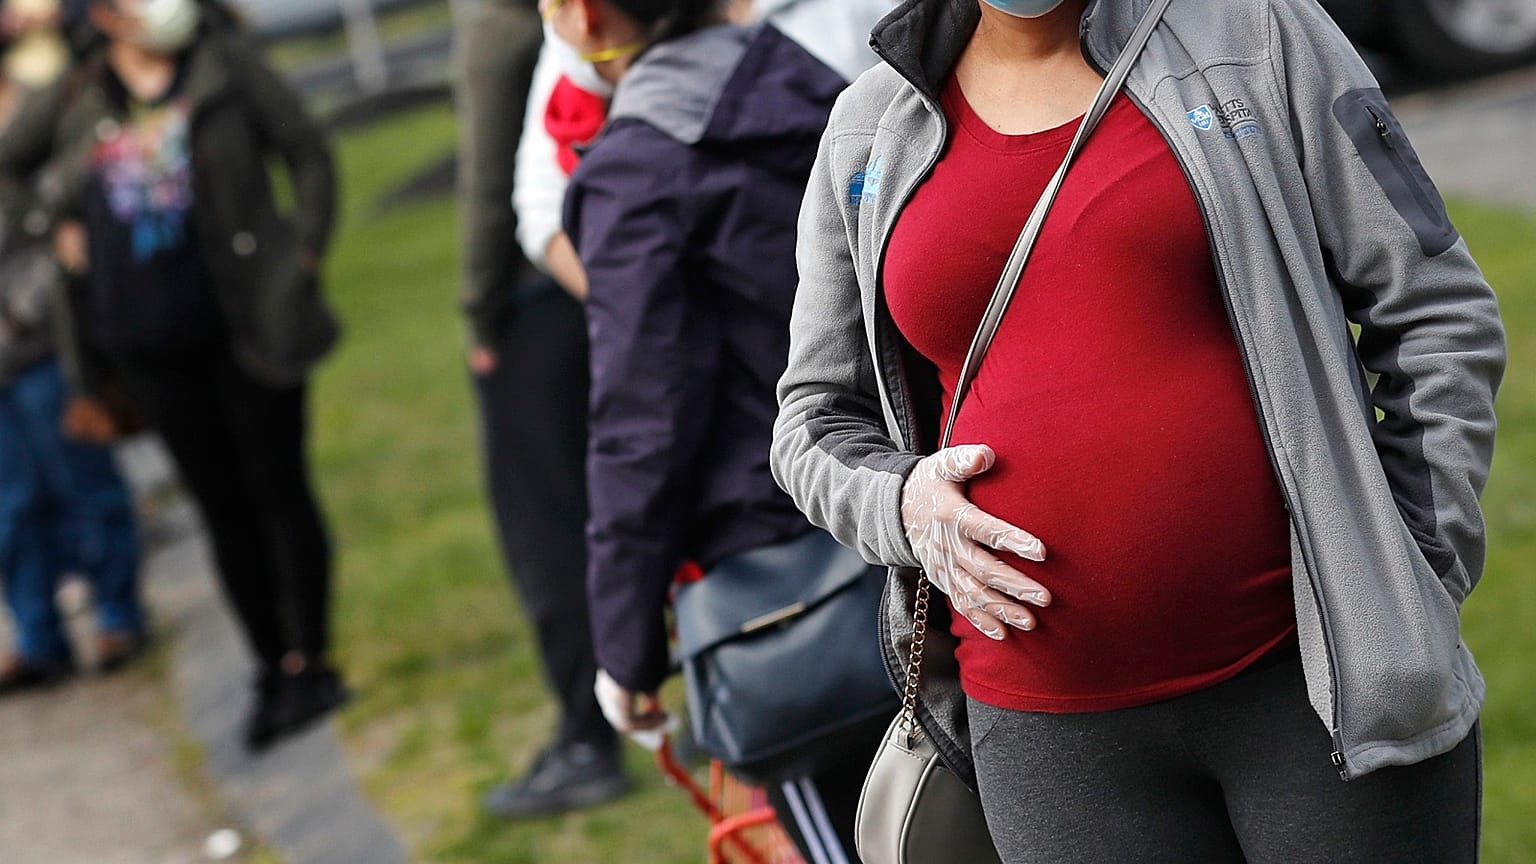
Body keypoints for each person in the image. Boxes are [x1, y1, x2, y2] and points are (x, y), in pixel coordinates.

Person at [771, 0, 1506, 861]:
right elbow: (814, 418)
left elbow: (1435, 308)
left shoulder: (1256, 34)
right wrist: (902, 505)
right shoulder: (870, 128)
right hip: (1051, 741)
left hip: (1317, 689)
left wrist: (1415, 567)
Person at [542, 0, 878, 858]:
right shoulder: (837, 92)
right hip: (930, 509)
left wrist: (624, 654)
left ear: (580, 16)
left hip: (791, 592)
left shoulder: (635, 172)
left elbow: (640, 429)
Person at [0, 0, 345, 751]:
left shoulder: (223, 66)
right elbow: (12, 169)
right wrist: (52, 229)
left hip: (247, 324)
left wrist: (303, 259)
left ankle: (310, 657)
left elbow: (307, 151)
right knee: (221, 505)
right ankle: (268, 664)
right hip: (146, 342)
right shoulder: (82, 93)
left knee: (277, 489)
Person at [454, 0, 630, 819]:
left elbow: (495, 183)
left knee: (549, 527)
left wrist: (478, 311)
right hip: (604, 274)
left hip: (543, 298)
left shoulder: (502, 24)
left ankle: (586, 734)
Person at [1, 52, 145, 694]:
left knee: (83, 481)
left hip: (38, 340)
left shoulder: (44, 110)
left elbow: (58, 223)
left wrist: (23, 313)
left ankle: (118, 614)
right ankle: (37, 638)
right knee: (11, 509)